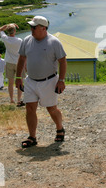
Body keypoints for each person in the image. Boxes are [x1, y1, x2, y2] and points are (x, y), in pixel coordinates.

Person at [15, 16, 67, 148]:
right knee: (30, 108)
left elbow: (62, 61)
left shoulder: (54, 42)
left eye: (34, 27)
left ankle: (60, 128)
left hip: (49, 81)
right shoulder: (27, 40)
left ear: (43, 28)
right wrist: (18, 77)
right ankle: (32, 137)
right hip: (31, 81)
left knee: (52, 109)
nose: (31, 29)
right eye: (31, 27)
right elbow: (21, 58)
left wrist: (61, 80)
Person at [0, 23, 25, 106]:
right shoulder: (20, 40)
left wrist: (8, 25)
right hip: (19, 63)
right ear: (15, 31)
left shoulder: (5, 38)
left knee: (10, 82)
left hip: (9, 62)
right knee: (20, 81)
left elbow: (0, 29)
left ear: (8, 31)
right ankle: (19, 99)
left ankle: (11, 99)